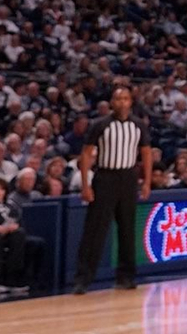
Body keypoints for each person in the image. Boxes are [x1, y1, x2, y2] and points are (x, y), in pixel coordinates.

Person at [72, 85, 153, 294]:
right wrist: (86, 184)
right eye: (118, 99)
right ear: (112, 102)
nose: (122, 102)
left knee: (127, 229)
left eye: (126, 98)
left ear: (131, 102)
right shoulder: (100, 124)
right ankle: (83, 278)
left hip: (128, 178)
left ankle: (126, 276)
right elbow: (87, 154)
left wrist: (146, 182)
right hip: (105, 177)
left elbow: (146, 154)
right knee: (95, 230)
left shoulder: (138, 125)